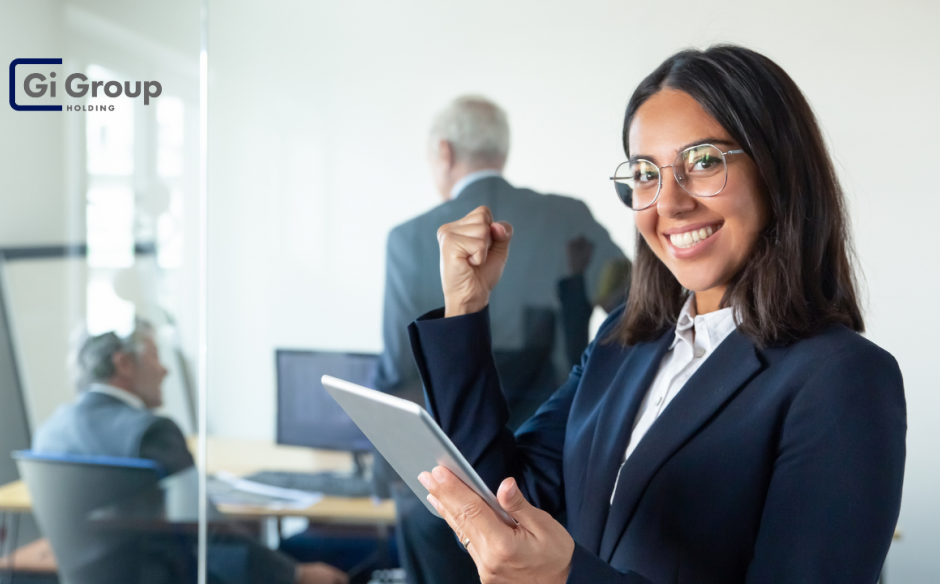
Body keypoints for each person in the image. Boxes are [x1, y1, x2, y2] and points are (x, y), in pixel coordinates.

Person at [408, 45, 906, 584]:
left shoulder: (842, 378)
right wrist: (465, 307)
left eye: (704, 162)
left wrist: (569, 578)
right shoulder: (624, 343)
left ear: (777, 171)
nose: (669, 202)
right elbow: (504, 499)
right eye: (646, 173)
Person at [374, 96, 626, 584]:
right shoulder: (568, 216)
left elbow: (397, 370)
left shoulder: (408, 239)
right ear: (501, 151)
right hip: (558, 480)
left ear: (444, 152)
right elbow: (640, 310)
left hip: (444, 484)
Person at [34, 321, 348, 584]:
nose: (165, 370)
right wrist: (295, 574)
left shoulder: (49, 431)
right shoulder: (150, 432)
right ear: (124, 364)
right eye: (155, 357)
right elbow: (208, 532)